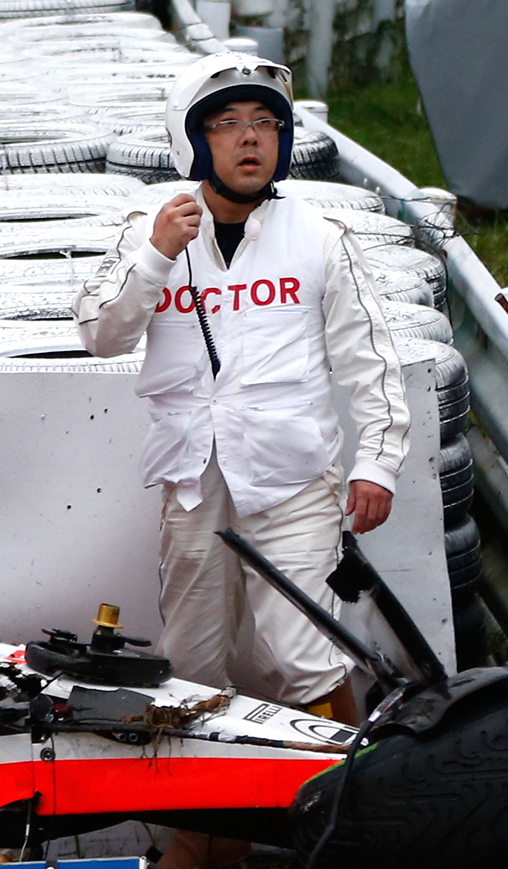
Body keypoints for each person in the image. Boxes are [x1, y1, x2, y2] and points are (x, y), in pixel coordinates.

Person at [73, 53, 409, 725]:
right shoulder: (150, 229)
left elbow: (370, 356)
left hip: (293, 480)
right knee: (189, 662)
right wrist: (157, 255)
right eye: (227, 124)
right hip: (192, 480)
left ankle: (349, 807)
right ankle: (212, 830)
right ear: (195, 140)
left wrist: (379, 462)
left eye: (265, 122)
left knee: (305, 656)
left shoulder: (318, 236)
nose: (249, 138)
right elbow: (99, 333)